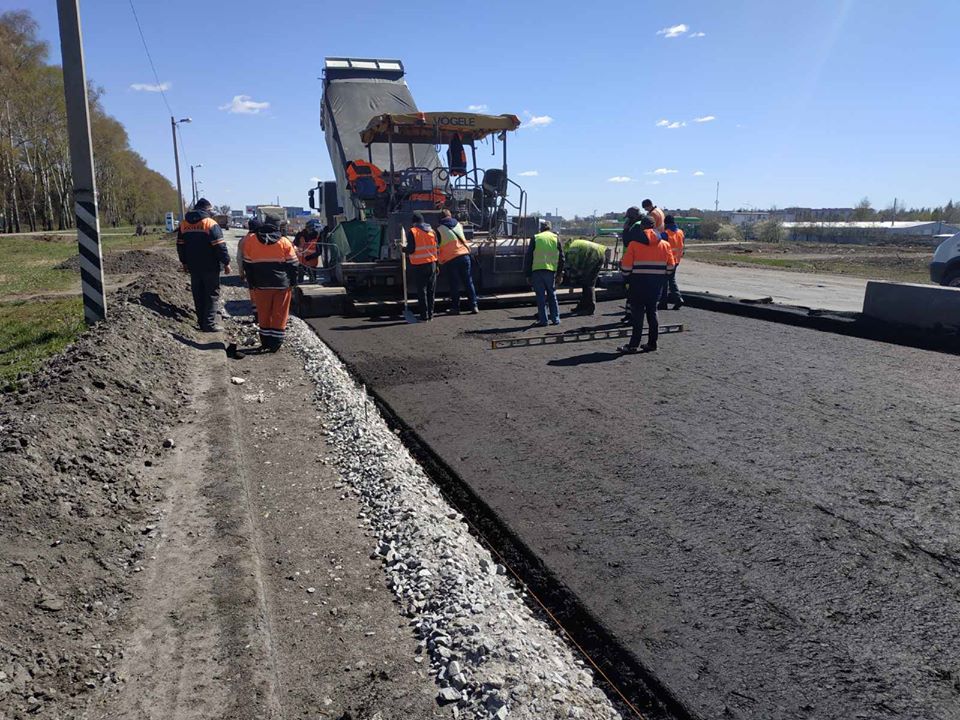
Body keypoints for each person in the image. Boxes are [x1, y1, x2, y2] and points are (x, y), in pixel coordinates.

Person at [238, 214, 298, 351]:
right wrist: (293, 282)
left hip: (260, 284)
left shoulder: (251, 240)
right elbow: (294, 265)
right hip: (281, 285)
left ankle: (265, 341)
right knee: (280, 313)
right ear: (278, 226)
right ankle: (275, 343)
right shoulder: (284, 242)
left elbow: (247, 265)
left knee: (263, 313)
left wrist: (252, 283)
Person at [617, 215, 674, 353]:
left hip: (638, 284)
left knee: (637, 316)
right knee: (652, 313)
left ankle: (633, 345)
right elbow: (671, 267)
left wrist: (627, 279)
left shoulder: (634, 244)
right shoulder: (665, 245)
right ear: (654, 226)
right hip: (655, 286)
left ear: (641, 227)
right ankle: (652, 343)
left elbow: (626, 268)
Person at [176, 197, 231, 332]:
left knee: (198, 293)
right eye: (211, 210)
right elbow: (220, 247)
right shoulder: (210, 224)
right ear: (207, 209)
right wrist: (226, 263)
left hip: (193, 266)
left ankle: (201, 322)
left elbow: (180, 246)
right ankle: (209, 324)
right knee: (212, 294)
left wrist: (184, 262)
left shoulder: (184, 224)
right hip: (210, 266)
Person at [437, 209, 478, 314]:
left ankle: (456, 308)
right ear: (450, 216)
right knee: (468, 282)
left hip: (451, 259)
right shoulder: (459, 225)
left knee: (454, 284)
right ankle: (474, 306)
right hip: (465, 256)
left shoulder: (439, 229)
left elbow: (437, 246)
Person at [524, 220, 565, 326]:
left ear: (541, 228)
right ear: (550, 228)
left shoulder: (536, 238)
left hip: (537, 271)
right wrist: (560, 274)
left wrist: (528, 274)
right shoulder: (556, 238)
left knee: (540, 297)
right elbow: (562, 258)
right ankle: (555, 319)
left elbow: (529, 257)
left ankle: (543, 320)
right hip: (550, 271)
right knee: (552, 294)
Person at [403, 212, 438, 321]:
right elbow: (436, 247)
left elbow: (411, 249)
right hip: (432, 263)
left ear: (414, 222)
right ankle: (431, 315)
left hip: (420, 265)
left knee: (422, 291)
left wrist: (402, 248)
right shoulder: (432, 231)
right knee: (431, 290)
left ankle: (424, 315)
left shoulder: (413, 232)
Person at [562, 237, 605, 315]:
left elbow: (575, 266)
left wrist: (571, 278)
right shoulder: (574, 247)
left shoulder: (570, 253)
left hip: (595, 256)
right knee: (585, 283)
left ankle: (590, 308)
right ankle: (582, 306)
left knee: (589, 283)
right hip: (598, 253)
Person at [659, 214, 685, 310]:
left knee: (666, 281)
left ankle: (671, 300)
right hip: (677, 260)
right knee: (670, 280)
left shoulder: (665, 234)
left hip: (667, 261)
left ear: (666, 223)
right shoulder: (680, 232)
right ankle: (668, 301)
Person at [293, 219, 324, 284]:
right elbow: (294, 246)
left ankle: (312, 282)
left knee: (312, 280)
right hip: (300, 262)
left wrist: (310, 257)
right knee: (299, 280)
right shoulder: (300, 235)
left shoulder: (318, 237)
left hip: (311, 262)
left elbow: (319, 251)